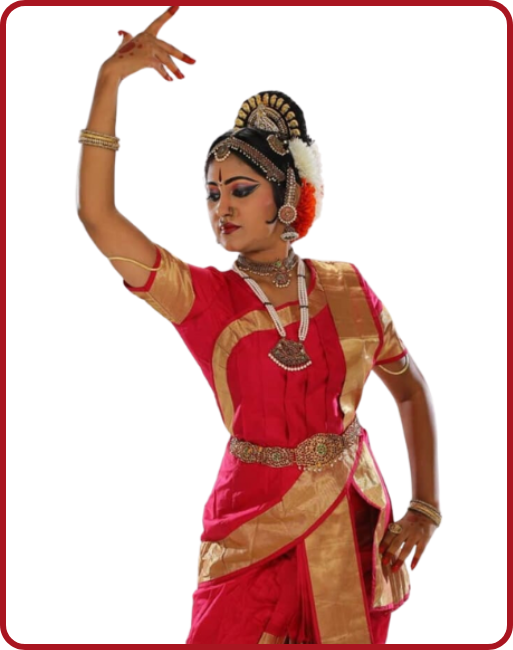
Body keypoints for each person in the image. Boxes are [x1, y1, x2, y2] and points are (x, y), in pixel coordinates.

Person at [76, 7, 441, 644]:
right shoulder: (206, 299)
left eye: (240, 190)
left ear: (287, 196)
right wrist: (109, 83)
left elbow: (409, 389)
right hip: (250, 531)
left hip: (353, 526)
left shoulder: (347, 287)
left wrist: (426, 506)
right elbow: (97, 216)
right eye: (212, 193)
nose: (221, 206)